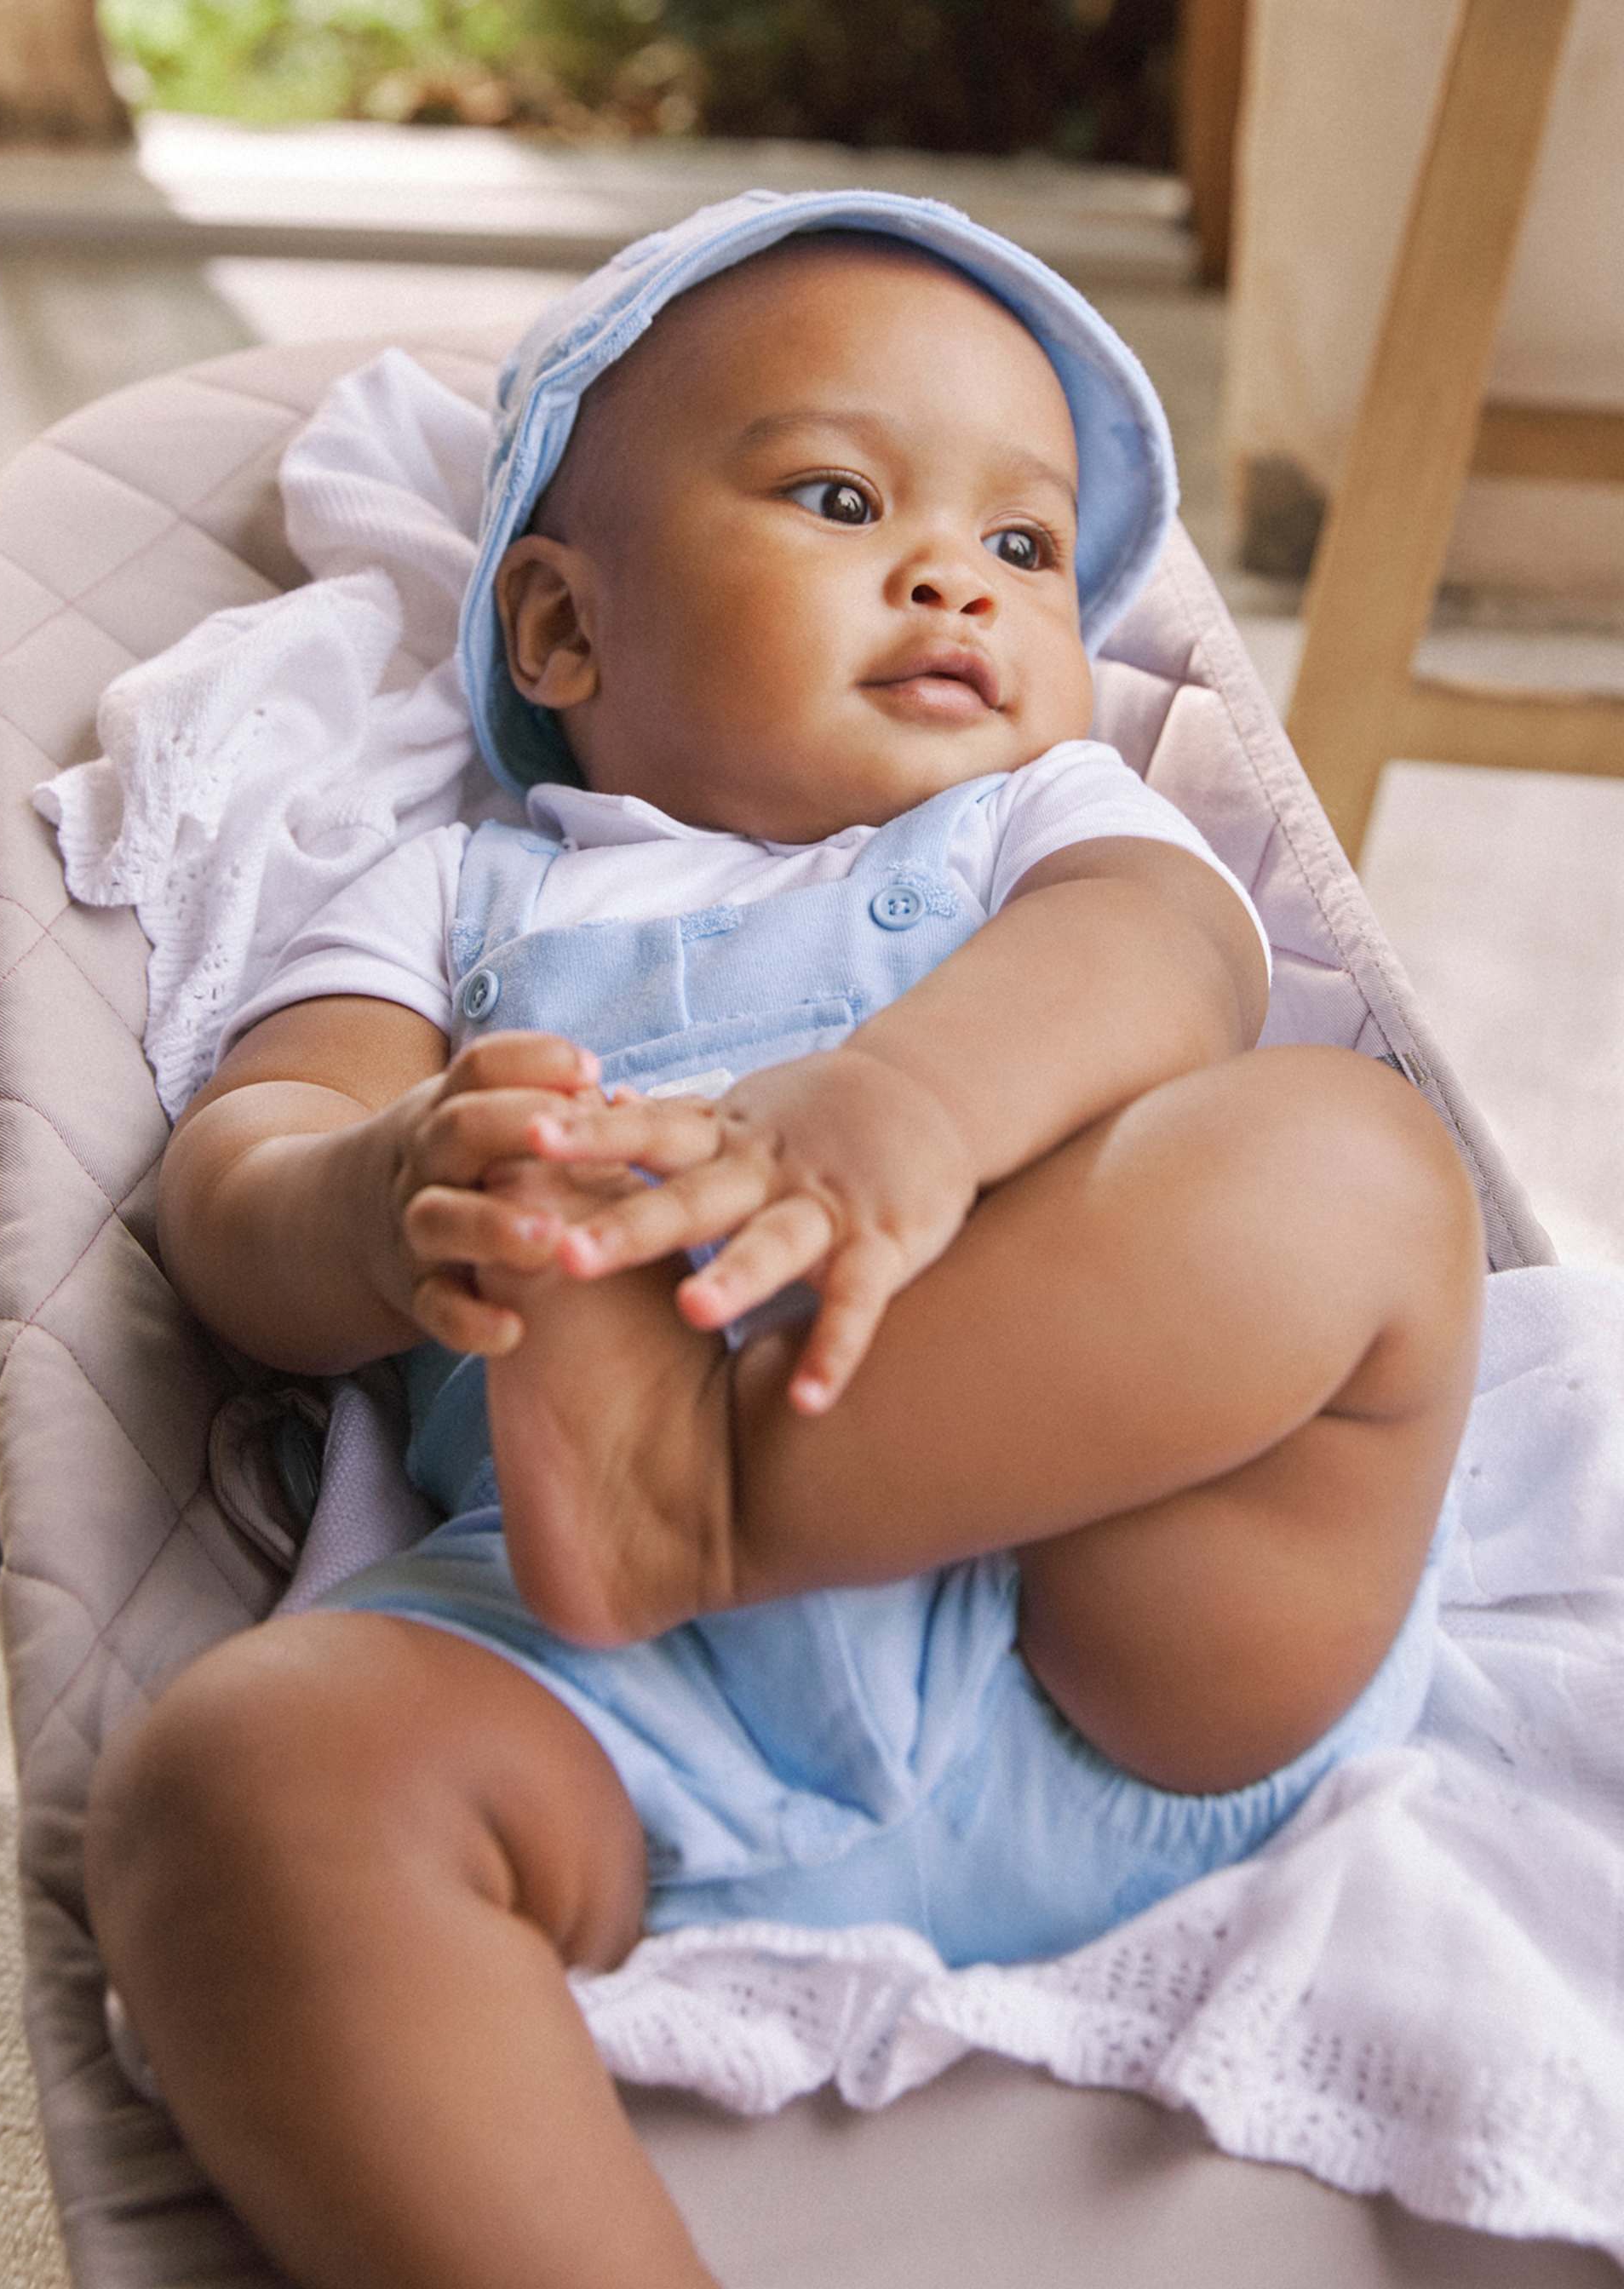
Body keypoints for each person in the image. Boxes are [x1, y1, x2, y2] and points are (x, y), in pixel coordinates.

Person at [84, 192, 1484, 2289]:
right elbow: (245, 1171)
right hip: (608, 1680)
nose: (958, 578)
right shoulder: (465, 898)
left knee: (1350, 1165)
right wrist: (378, 1203)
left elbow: (1173, 960)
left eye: (1025, 549)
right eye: (842, 496)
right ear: (562, 634)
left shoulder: (1033, 828)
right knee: (233, 1790)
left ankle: (716, 1480)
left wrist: (909, 1107)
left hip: (1115, 1623)